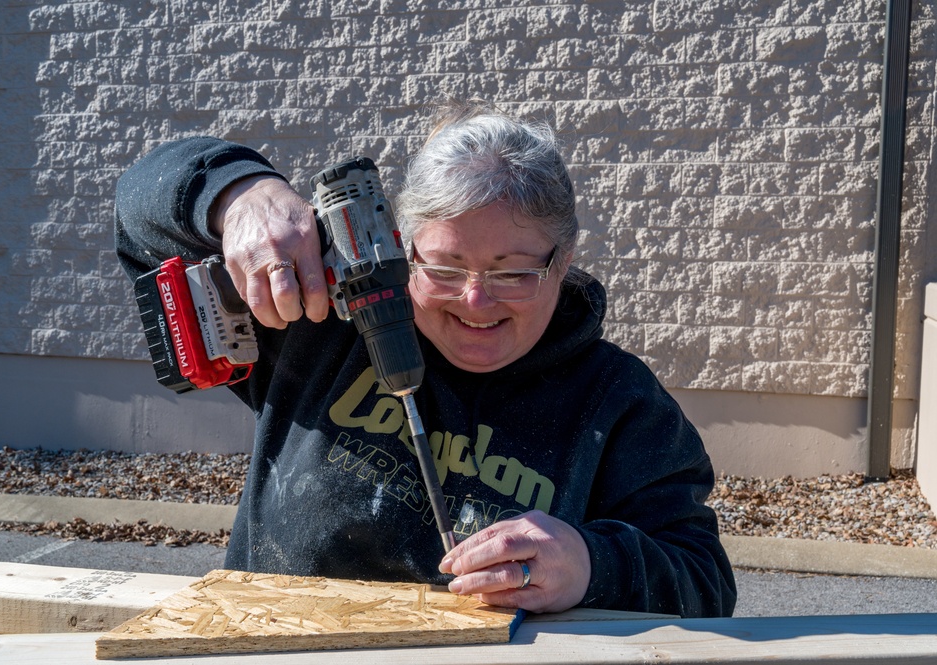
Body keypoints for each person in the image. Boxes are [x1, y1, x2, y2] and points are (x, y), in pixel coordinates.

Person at [115, 99, 737, 617]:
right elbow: (138, 205)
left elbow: (704, 582)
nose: (475, 300)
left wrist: (591, 563)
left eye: (513, 272)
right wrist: (238, 194)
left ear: (564, 261)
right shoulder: (328, 319)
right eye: (444, 267)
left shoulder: (618, 403)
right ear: (398, 250)